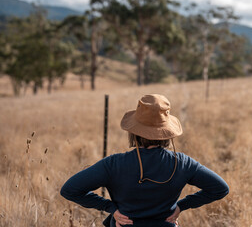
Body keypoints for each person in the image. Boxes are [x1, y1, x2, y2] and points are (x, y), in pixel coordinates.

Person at [60, 94, 229, 227]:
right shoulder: (182, 163)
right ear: (167, 133)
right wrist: (181, 206)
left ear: (133, 132)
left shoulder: (114, 164)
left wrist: (111, 209)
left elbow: (69, 190)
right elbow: (220, 188)